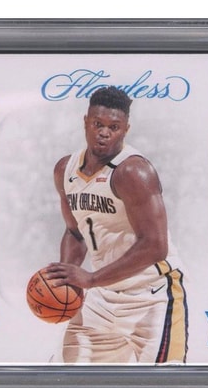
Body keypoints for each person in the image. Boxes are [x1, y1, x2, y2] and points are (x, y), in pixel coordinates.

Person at [45, 86, 188, 363]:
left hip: (152, 295)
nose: (104, 133)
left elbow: (155, 245)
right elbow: (75, 232)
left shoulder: (133, 172)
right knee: (68, 378)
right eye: (98, 124)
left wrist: (90, 279)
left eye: (114, 127)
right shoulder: (65, 169)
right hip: (102, 296)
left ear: (126, 129)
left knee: (164, 385)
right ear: (85, 122)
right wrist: (67, 280)